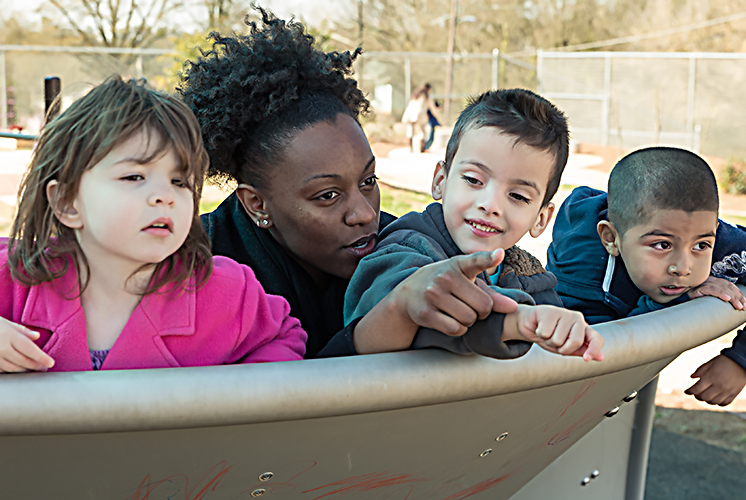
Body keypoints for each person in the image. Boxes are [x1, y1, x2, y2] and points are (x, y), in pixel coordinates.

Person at [179, 7, 519, 359]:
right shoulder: (190, 272)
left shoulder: (409, 246)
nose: (364, 213)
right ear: (257, 205)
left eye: (368, 180)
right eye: (327, 195)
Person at [0, 76, 307, 373]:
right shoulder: (11, 278)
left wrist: (238, 403)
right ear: (67, 202)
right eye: (134, 177)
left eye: (179, 181)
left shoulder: (226, 293)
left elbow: (284, 336)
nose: (165, 196)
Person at [344, 89, 605, 361]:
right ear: (440, 181)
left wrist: (561, 330)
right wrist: (518, 321)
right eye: (473, 180)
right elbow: (424, 305)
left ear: (540, 218)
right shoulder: (406, 249)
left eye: (517, 196)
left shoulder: (531, 276)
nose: (490, 204)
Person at [547, 146, 746, 405]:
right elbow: (595, 357)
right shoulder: (584, 276)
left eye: (701, 246)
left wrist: (739, 360)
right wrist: (680, 300)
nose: (683, 268)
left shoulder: (707, 235)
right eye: (662, 245)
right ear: (611, 239)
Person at [401, 83, 437, 153]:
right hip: (420, 115)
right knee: (422, 132)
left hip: (410, 113)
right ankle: (421, 148)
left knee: (410, 130)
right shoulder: (426, 97)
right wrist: (437, 118)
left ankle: (410, 148)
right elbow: (433, 108)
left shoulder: (415, 95)